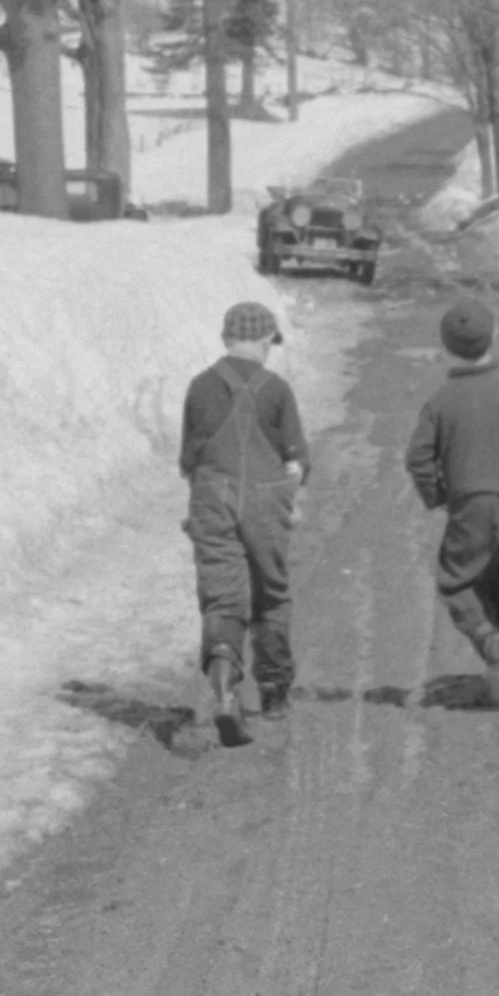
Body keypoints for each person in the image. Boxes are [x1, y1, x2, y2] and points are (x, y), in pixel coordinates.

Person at [405, 296, 499, 708]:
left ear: (445, 347)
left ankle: (488, 637)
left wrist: (436, 493)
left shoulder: (441, 400)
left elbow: (418, 456)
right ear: (497, 337)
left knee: (459, 580)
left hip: (470, 505)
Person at [179, 300, 310, 746]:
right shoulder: (276, 389)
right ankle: (273, 691)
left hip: (211, 496)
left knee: (222, 598)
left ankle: (223, 687)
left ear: (226, 339)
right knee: (270, 594)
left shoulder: (199, 387)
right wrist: (291, 494)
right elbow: (296, 459)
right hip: (265, 497)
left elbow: (189, 457)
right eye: (270, 343)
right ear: (262, 341)